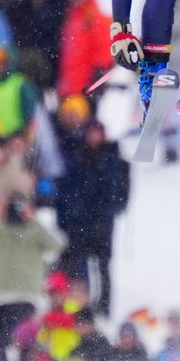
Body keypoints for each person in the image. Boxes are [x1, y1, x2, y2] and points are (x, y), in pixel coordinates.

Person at [0, 190, 64, 361]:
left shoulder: (34, 231)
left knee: (24, 339)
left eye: (20, 205)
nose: (15, 210)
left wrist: (34, 220)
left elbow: (57, 245)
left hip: (25, 295)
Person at [54, 120, 129, 312]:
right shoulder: (77, 157)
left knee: (103, 265)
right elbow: (68, 187)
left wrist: (112, 208)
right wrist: (74, 210)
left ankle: (104, 306)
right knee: (79, 264)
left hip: (103, 220)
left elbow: (121, 189)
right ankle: (81, 304)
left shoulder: (113, 160)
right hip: (81, 220)